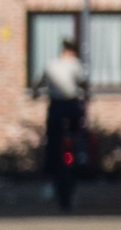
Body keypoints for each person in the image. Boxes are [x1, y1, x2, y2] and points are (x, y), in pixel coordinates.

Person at [37, 21, 92, 209]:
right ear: (71, 51)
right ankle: (78, 158)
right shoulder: (75, 64)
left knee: (53, 142)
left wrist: (36, 93)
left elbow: (38, 84)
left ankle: (51, 176)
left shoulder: (50, 64)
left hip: (56, 107)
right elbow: (83, 84)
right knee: (77, 137)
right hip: (72, 107)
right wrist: (87, 93)